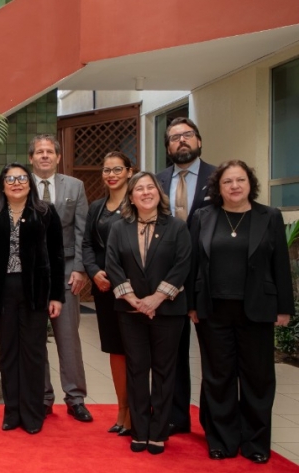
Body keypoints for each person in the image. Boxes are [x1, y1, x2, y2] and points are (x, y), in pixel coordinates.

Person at [188, 161, 293, 464]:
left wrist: (284, 308)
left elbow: (280, 267)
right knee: (218, 377)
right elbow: (195, 263)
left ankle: (256, 443)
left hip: (257, 311)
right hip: (213, 311)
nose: (234, 186)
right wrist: (192, 305)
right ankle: (221, 440)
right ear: (217, 188)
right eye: (227, 181)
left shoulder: (269, 216)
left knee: (257, 379)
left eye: (240, 180)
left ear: (250, 183)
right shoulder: (203, 217)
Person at [0, 163, 65, 434]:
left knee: (33, 353)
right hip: (2, 290)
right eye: (10, 178)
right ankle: (12, 412)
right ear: (2, 185)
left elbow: (57, 256)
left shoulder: (46, 212)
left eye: (22, 178)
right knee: (9, 352)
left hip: (36, 290)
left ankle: (33, 414)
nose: (16, 182)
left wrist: (57, 296)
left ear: (30, 183)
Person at [105, 172, 191, 455]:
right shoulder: (119, 227)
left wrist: (156, 299)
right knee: (137, 369)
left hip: (168, 310)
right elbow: (113, 264)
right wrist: (134, 300)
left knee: (165, 371)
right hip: (130, 311)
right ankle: (139, 430)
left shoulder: (177, 227)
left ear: (159, 193)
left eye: (149, 187)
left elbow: (182, 265)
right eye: (138, 189)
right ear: (131, 196)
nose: (145, 192)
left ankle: (158, 431)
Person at [155, 117, 216, 435]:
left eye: (187, 135)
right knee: (172, 354)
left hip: (208, 279)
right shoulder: (158, 181)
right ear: (168, 147)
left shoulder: (218, 178)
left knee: (213, 355)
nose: (181, 141)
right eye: (174, 137)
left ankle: (213, 421)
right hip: (169, 282)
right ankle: (176, 415)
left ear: (199, 141)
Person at [27, 134, 92, 422]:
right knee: (35, 335)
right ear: (31, 158)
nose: (44, 156)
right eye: (39, 152)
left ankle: (75, 397)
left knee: (68, 336)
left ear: (57, 157)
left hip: (65, 271)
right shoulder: (19, 184)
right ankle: (42, 397)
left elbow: (82, 232)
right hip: (28, 273)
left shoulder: (74, 186)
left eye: (49, 152)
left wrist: (80, 268)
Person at [82, 151, 134, 436]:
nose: (111, 175)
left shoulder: (138, 203)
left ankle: (138, 410)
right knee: (115, 349)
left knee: (135, 350)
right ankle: (121, 409)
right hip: (103, 289)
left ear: (129, 171)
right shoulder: (97, 208)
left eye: (117, 169)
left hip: (133, 289)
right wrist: (93, 271)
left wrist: (120, 278)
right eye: (106, 170)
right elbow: (87, 244)